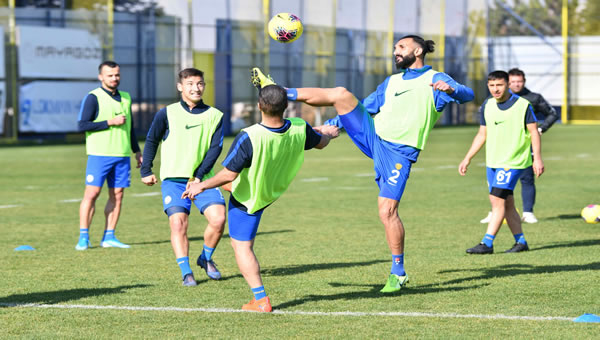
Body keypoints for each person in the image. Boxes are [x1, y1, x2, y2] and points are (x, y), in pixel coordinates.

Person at [262, 34, 474, 293]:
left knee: (387, 213)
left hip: (398, 154)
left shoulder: (436, 79)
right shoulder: (392, 81)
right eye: (395, 47)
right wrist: (334, 124)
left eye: (402, 47)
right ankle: (280, 92)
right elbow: (366, 106)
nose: (396, 51)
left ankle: (398, 272)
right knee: (341, 94)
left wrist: (451, 89)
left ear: (418, 51)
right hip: (374, 136)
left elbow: (468, 94)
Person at [182, 84, 337, 312]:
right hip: (271, 189)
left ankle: (260, 300)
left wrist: (200, 186)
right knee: (224, 187)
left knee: (241, 246)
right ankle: (205, 257)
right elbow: (320, 142)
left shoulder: (249, 136)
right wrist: (327, 133)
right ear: (286, 106)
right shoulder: (300, 127)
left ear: (259, 106)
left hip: (248, 197)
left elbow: (229, 173)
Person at [140, 68, 226, 286]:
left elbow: (214, 150)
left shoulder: (215, 115)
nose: (195, 88)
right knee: (178, 224)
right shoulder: (166, 113)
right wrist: (146, 170)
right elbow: (151, 141)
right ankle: (186, 271)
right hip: (173, 181)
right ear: (180, 87)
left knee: (218, 219)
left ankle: (205, 257)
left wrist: (198, 178)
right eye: (190, 84)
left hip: (203, 180)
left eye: (199, 83)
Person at [459, 70, 544, 254]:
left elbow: (534, 133)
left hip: (513, 161)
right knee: (507, 204)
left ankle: (486, 243)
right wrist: (468, 158)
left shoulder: (523, 105)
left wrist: (536, 158)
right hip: (493, 162)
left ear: (507, 85)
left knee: (497, 201)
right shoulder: (487, 105)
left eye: (499, 85)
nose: (495, 89)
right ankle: (520, 242)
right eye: (491, 85)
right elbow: (482, 134)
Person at [76, 60, 142, 251]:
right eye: (110, 75)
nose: (114, 78)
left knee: (118, 195)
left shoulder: (126, 98)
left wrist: (136, 151)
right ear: (101, 77)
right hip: (99, 155)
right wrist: (110, 122)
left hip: (121, 155)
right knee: (92, 194)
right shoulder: (93, 97)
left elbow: (130, 129)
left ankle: (109, 237)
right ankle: (83, 237)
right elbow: (82, 125)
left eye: (117, 75)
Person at [480, 68, 558, 224]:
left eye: (519, 81)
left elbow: (552, 114)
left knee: (527, 178)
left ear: (524, 82)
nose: (516, 84)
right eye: (513, 81)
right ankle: (496, 211)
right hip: (501, 149)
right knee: (498, 186)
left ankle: (528, 212)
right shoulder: (494, 99)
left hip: (524, 146)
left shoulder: (532, 99)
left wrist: (540, 129)